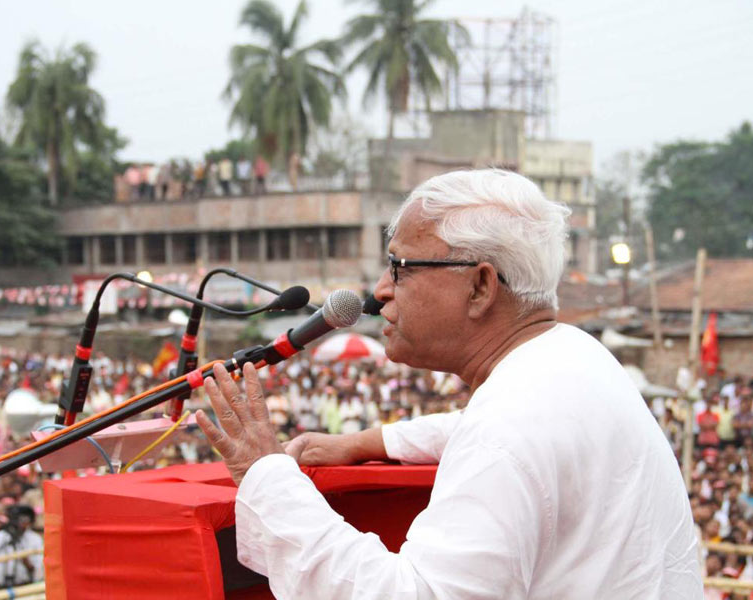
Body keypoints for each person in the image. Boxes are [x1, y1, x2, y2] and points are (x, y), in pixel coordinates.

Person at [195, 169, 701, 598]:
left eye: (401, 267)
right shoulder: (571, 356)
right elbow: (477, 430)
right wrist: (366, 443)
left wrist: (266, 475)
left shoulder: (509, 428)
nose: (379, 292)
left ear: (480, 286)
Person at [0, 505, 43, 589]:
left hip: (24, 585)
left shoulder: (34, 538)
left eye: (25, 519)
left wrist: (26, 561)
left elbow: (38, 569)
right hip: (2, 585)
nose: (21, 522)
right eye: (19, 519)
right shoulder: (1, 536)